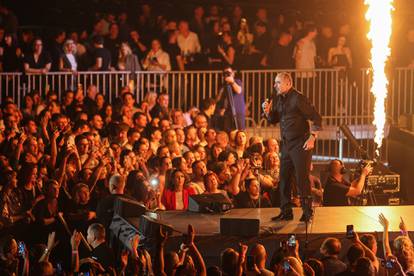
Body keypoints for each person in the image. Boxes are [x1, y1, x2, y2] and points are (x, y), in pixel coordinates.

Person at [263, 72, 322, 222]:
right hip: (287, 145)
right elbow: (274, 119)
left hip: (300, 144)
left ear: (288, 83)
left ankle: (307, 212)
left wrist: (312, 137)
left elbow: (316, 117)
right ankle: (286, 211)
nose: (275, 85)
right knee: (284, 178)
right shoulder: (279, 99)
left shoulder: (298, 98)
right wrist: (267, 112)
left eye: (278, 82)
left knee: (301, 179)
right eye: (275, 82)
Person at [215, 66, 245, 130]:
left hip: (237, 111)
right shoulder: (223, 85)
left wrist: (232, 82)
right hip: (227, 113)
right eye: (225, 73)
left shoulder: (237, 81)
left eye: (229, 73)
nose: (227, 74)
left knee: (240, 131)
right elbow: (218, 99)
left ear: (233, 73)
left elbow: (239, 91)